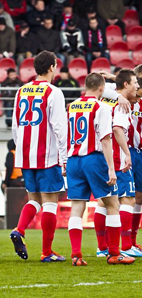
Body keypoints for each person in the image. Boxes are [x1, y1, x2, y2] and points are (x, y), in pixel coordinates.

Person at [66, 72, 134, 266]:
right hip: (93, 159)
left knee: (77, 207)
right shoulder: (101, 107)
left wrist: (65, 162)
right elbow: (105, 138)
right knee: (112, 204)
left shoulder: (73, 105)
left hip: (73, 160)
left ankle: (76, 255)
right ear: (102, 87)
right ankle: (114, 253)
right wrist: (112, 169)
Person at [10, 50, 68, 262]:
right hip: (47, 156)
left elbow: (16, 126)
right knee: (50, 202)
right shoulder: (54, 92)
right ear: (52, 67)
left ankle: (19, 230)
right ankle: (46, 252)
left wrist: (22, 150)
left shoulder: (21, 91)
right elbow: (60, 128)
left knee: (34, 199)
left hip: (26, 155)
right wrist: (64, 157)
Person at [97, 64, 142, 254]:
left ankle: (103, 247)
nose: (139, 89)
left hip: (103, 153)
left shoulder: (108, 95)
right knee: (128, 199)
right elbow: (117, 129)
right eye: (136, 84)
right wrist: (127, 153)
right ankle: (126, 246)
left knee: (107, 200)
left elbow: (94, 88)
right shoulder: (121, 102)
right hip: (119, 154)